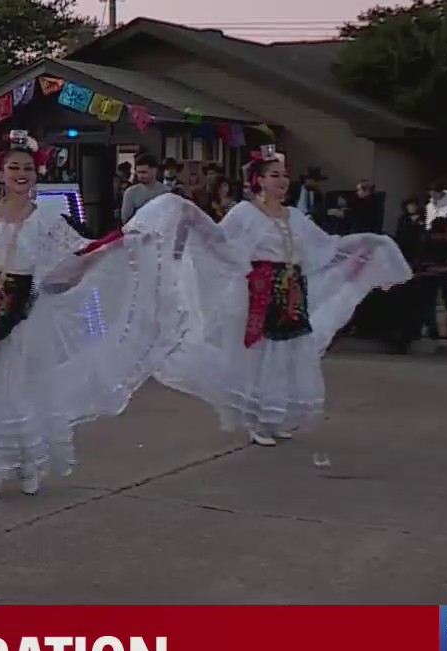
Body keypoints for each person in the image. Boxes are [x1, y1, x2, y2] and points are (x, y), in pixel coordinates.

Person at [0, 130, 229, 502]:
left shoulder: (47, 218)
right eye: (14, 167)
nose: (21, 173)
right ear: (0, 173)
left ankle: (27, 463)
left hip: (24, 312)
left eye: (28, 168)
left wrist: (117, 248)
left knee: (21, 386)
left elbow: (77, 256)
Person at [161, 146, 409, 446]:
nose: (282, 181)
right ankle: (255, 419)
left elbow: (325, 246)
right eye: (274, 175)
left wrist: (362, 245)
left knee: (287, 355)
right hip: (260, 289)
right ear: (259, 180)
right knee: (258, 354)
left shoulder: (293, 215)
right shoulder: (244, 213)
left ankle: (274, 417)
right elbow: (221, 244)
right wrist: (192, 226)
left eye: (284, 175)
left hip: (290, 287)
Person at [119, 153, 170, 223]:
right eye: (138, 172)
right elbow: (125, 219)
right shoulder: (131, 192)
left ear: (154, 171)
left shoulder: (165, 192)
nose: (140, 176)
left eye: (144, 172)